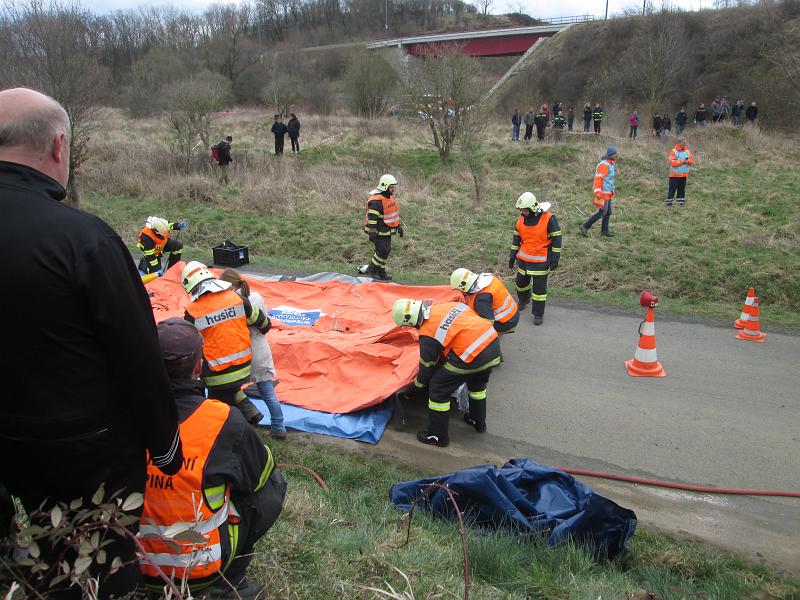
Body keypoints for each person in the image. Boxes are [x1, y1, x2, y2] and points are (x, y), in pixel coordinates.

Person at [0, 87, 183, 599]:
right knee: (96, 565)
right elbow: (138, 355)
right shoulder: (82, 240)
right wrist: (166, 445)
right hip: (78, 452)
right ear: (60, 148)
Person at [140, 318, 287, 598]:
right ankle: (231, 578)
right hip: (199, 568)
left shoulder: (120, 415)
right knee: (273, 485)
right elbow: (260, 476)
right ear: (198, 367)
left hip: (132, 565)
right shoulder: (222, 420)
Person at [391, 299, 502, 447]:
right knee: (477, 387)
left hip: (472, 355)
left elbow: (427, 368)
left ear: (409, 320)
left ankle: (437, 436)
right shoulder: (444, 306)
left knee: (438, 387)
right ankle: (478, 421)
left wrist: (415, 388)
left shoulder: (428, 332)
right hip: (492, 346)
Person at [181, 261, 271, 425]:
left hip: (217, 374)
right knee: (230, 390)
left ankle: (233, 424)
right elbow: (260, 321)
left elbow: (188, 341)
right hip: (244, 367)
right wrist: (265, 326)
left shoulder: (193, 311)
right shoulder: (236, 298)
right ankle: (248, 409)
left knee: (217, 408)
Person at [219, 268, 286, 440]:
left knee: (232, 389)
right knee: (268, 393)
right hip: (260, 351)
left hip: (243, 353)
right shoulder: (256, 297)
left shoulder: (234, 301)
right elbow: (264, 325)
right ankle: (278, 427)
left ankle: (242, 421)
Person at [508, 192, 561, 326]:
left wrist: (555, 259)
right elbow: (516, 238)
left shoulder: (549, 219)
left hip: (541, 262)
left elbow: (557, 239)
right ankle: (523, 300)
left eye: (525, 210)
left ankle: (538, 314)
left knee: (539, 291)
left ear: (532, 208)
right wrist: (512, 255)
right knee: (521, 284)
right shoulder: (521, 219)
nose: (523, 212)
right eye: (521, 210)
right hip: (524, 260)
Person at [450, 268, 519, 333]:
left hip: (505, 322)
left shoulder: (481, 299)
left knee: (472, 330)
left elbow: (488, 322)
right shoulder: (490, 279)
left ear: (464, 287)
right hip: (513, 313)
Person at [362, 173, 402, 281]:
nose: (393, 189)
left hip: (386, 230)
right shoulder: (376, 201)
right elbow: (372, 217)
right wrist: (372, 231)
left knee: (385, 251)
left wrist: (399, 226)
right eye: (391, 187)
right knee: (383, 250)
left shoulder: (389, 198)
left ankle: (380, 271)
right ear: (385, 186)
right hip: (378, 231)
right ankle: (372, 269)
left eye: (393, 187)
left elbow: (394, 214)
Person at [580, 146, 618, 238]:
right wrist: (597, 192)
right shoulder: (604, 165)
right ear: (611, 155)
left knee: (608, 212)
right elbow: (598, 178)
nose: (617, 155)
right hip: (602, 193)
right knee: (602, 212)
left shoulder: (611, 164)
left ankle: (604, 231)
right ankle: (585, 226)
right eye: (615, 154)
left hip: (608, 193)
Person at [666, 136, 694, 207]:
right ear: (679, 143)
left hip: (684, 175)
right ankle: (669, 203)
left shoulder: (687, 151)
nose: (685, 143)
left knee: (682, 189)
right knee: (672, 189)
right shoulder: (674, 151)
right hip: (674, 175)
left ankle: (681, 203)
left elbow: (691, 161)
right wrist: (682, 161)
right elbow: (672, 162)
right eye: (683, 142)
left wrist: (688, 161)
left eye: (685, 142)